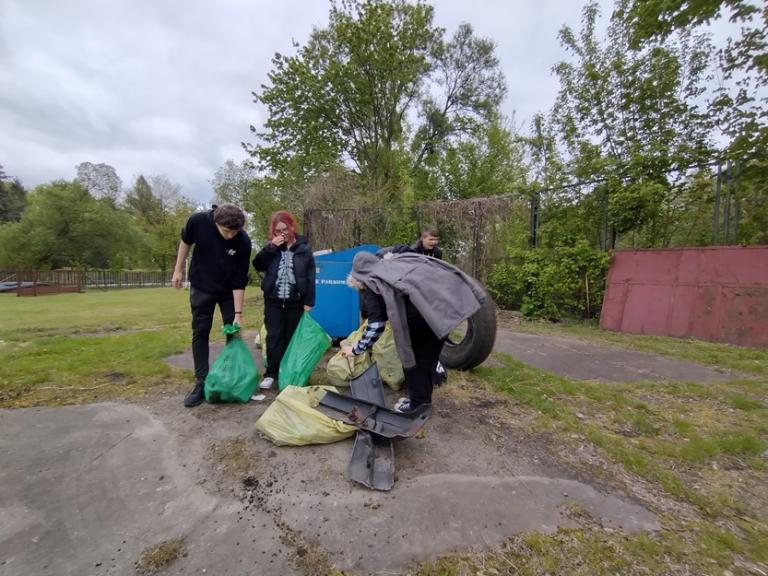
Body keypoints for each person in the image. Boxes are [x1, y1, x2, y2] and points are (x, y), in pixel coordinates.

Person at [342, 251, 486, 412]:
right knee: (429, 360)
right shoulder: (395, 267)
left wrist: (355, 349)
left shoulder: (372, 283)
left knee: (413, 364)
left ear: (357, 275)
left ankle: (417, 406)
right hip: (439, 316)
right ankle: (423, 400)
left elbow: (376, 326)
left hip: (420, 323)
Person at [172, 204, 252, 407]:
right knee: (200, 332)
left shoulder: (243, 241)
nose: (230, 236)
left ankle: (231, 378)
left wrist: (238, 314)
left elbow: (239, 280)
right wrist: (178, 270)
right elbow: (185, 241)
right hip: (201, 287)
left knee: (233, 333)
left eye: (234, 231)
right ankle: (201, 382)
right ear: (216, 223)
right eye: (226, 231)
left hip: (227, 291)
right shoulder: (198, 221)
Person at [252, 210, 315, 390]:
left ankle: (288, 373)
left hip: (296, 301)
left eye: (285, 229)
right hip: (273, 301)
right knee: (274, 337)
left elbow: (310, 276)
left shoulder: (304, 248)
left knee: (291, 338)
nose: (282, 234)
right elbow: (257, 264)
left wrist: (309, 301)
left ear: (292, 227)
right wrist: (271, 247)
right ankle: (271, 373)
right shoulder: (271, 248)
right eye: (278, 231)